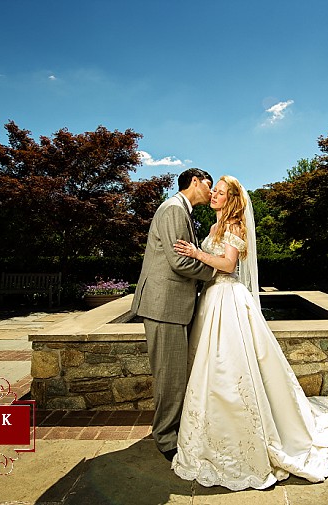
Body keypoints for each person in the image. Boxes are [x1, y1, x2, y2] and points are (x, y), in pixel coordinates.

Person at [171, 175, 328, 491]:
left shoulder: (235, 226)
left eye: (220, 192)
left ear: (232, 199)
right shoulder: (212, 228)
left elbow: (227, 265)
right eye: (214, 191)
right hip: (210, 300)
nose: (214, 195)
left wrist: (196, 254)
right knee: (210, 367)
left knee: (231, 366)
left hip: (228, 299)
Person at [131, 168, 218, 462]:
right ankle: (166, 439)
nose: (211, 190)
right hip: (164, 304)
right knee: (170, 375)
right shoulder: (173, 210)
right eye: (209, 184)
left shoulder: (182, 210)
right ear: (195, 182)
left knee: (176, 373)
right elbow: (180, 261)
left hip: (172, 304)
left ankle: (173, 428)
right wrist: (215, 272)